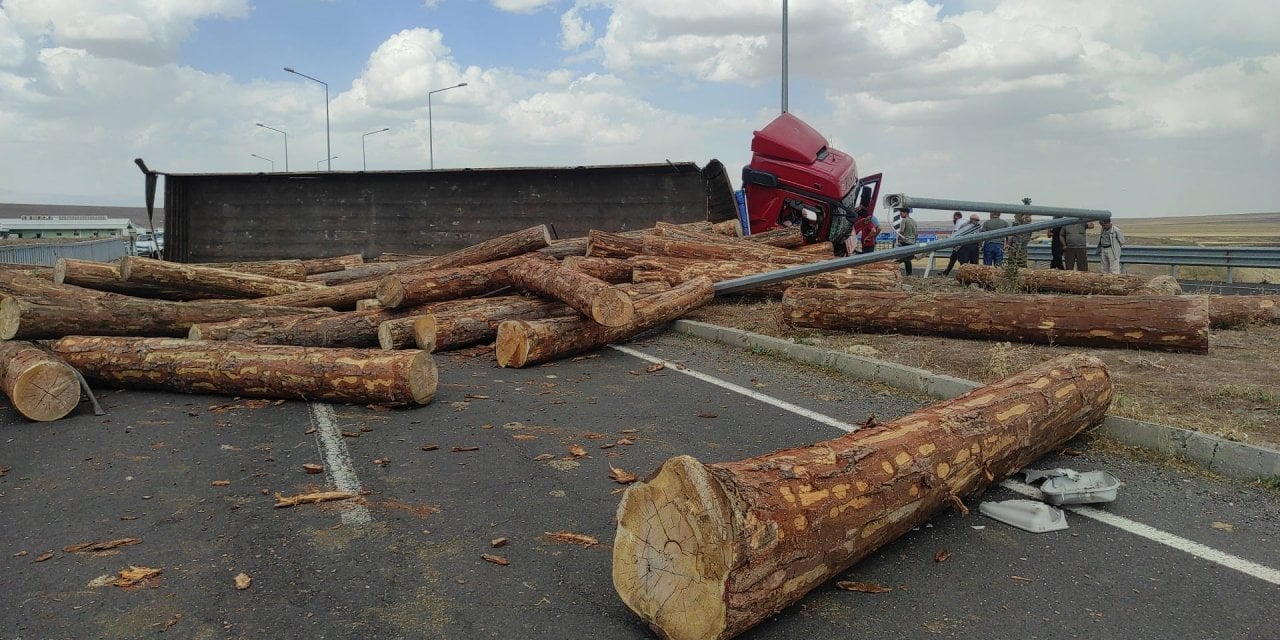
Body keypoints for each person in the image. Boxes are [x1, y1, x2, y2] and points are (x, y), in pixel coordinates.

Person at [894, 207, 918, 275]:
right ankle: (909, 273)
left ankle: (894, 271)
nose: (900, 215)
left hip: (905, 242)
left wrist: (898, 239)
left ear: (905, 213)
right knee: (907, 259)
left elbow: (902, 231)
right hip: (912, 243)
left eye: (901, 213)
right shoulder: (914, 221)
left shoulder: (904, 220)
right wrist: (914, 241)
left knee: (900, 258)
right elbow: (916, 233)